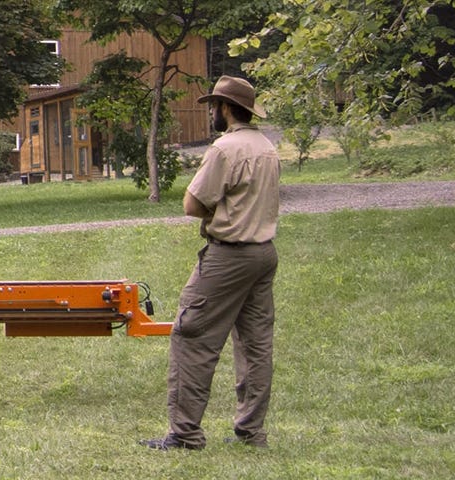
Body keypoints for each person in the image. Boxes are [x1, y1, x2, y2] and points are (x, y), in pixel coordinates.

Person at [142, 76, 281, 450]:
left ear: (225, 108)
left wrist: (215, 209)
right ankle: (252, 432)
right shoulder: (267, 146)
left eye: (214, 105)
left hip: (229, 255)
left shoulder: (225, 148)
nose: (211, 112)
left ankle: (185, 434)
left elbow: (192, 204)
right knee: (255, 344)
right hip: (264, 254)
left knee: (192, 335)